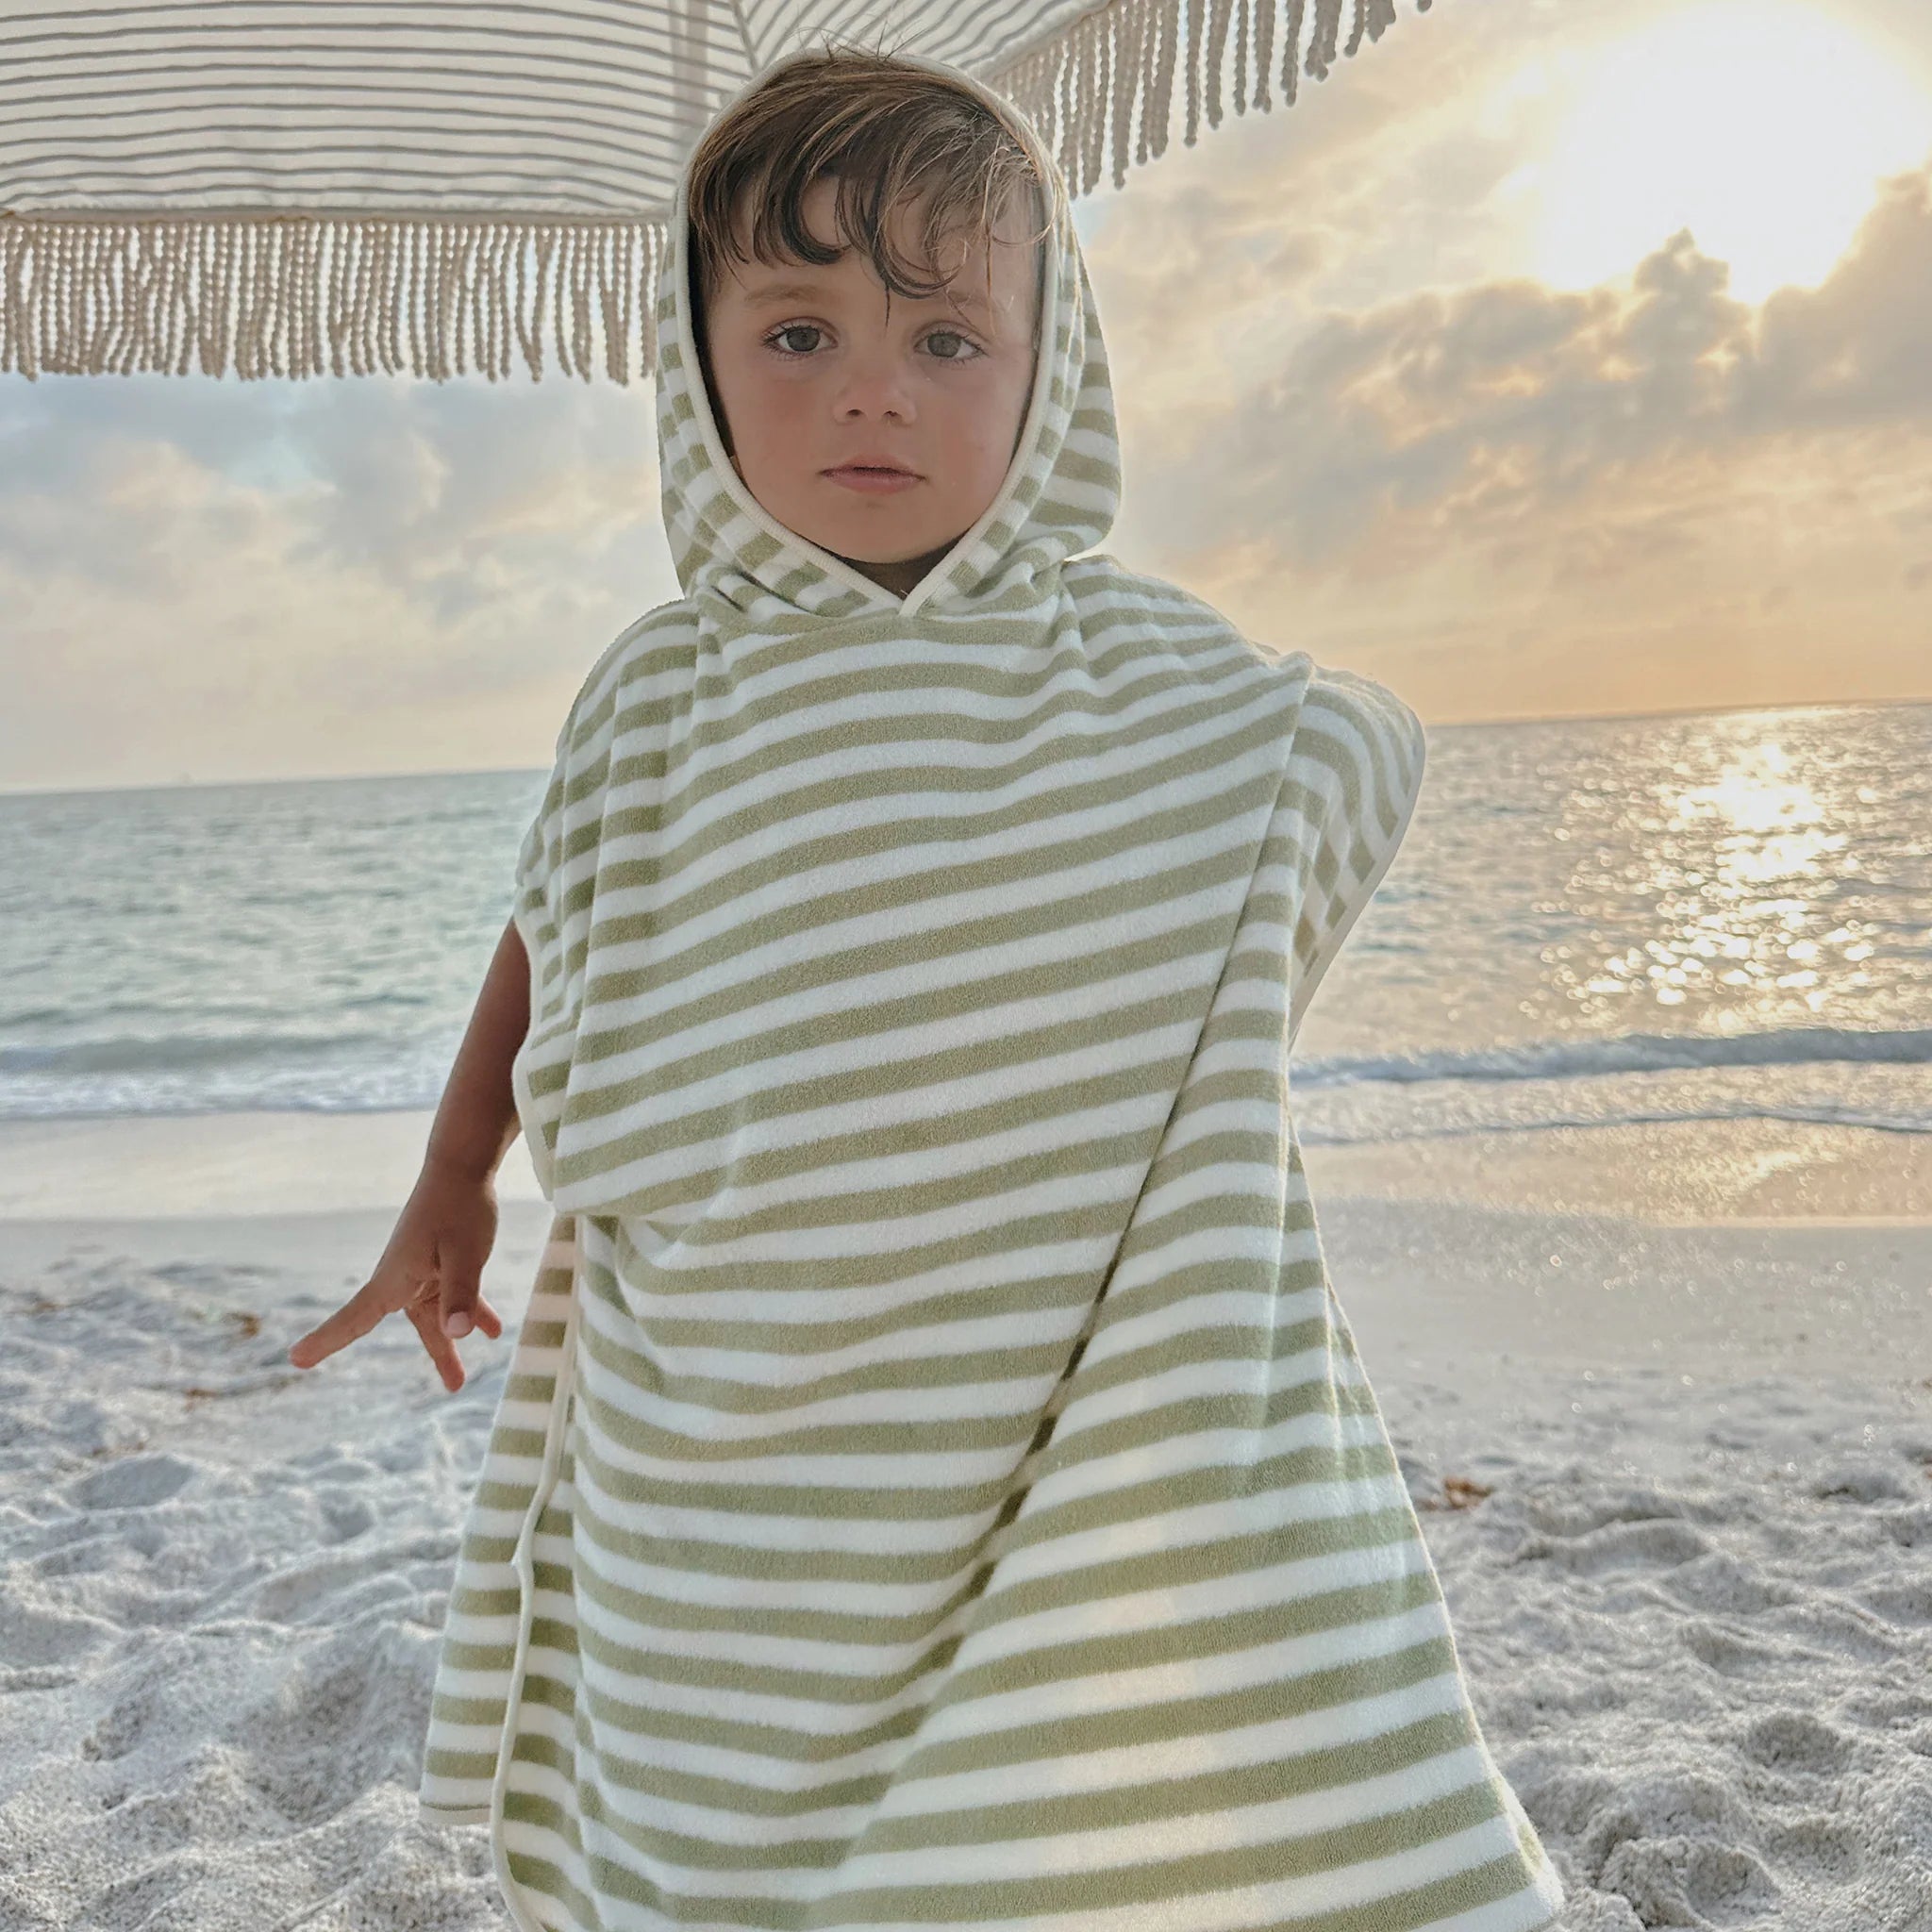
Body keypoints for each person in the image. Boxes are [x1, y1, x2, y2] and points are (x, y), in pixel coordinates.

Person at [291, 39, 1567, 1932]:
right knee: (718, 1797)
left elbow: (1331, 753)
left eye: (944, 339)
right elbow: (562, 923)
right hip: (732, 1404)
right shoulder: (655, 697)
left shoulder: (1117, 665)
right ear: (695, 366)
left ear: (1051, 377)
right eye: (795, 333)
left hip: (1041, 1367)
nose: (870, 386)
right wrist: (453, 1173)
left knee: (1131, 1792)